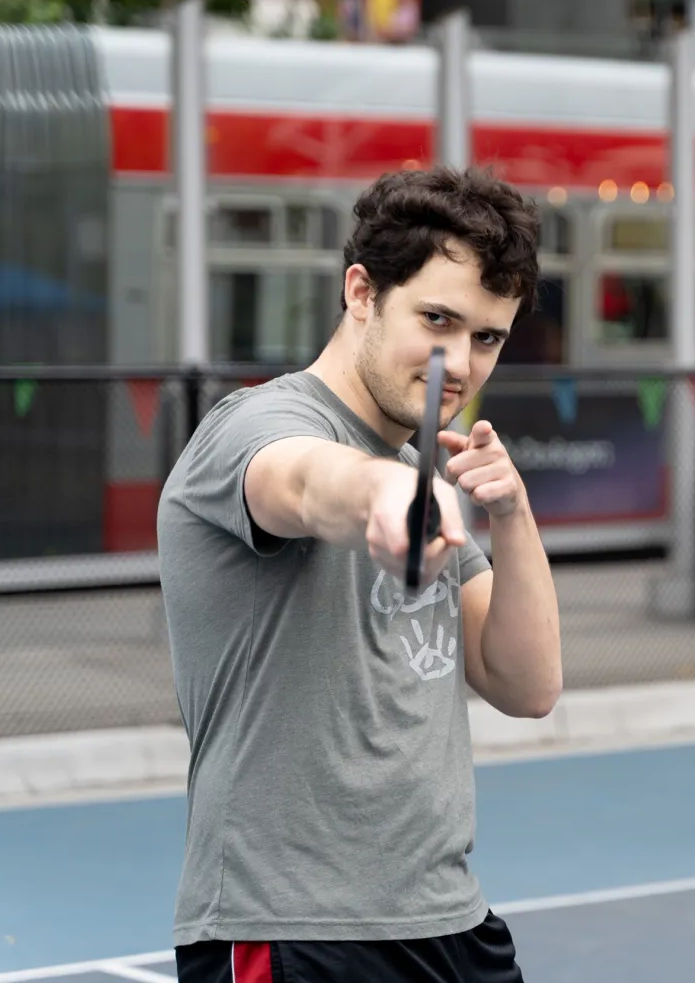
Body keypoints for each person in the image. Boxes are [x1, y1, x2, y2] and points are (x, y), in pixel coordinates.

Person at [156, 166, 562, 983]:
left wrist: (511, 514)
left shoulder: (424, 467)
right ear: (362, 293)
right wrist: (383, 491)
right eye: (437, 319)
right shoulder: (256, 425)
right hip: (295, 928)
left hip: (449, 921)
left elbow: (528, 685)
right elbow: (305, 482)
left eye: (487, 337)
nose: (461, 359)